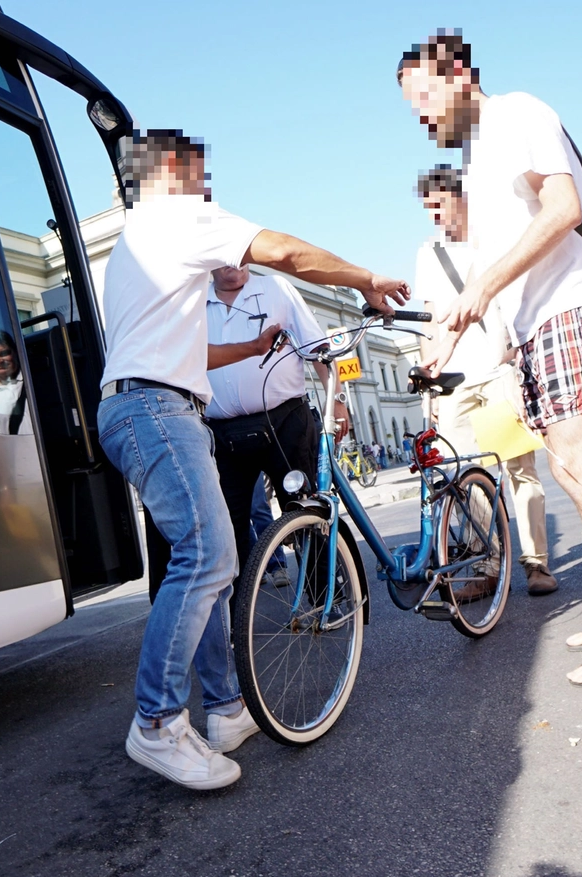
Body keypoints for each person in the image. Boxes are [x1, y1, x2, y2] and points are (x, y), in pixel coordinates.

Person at [97, 129, 407, 788]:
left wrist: (251, 348)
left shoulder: (131, 248)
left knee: (204, 557)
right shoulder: (178, 215)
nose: (207, 189)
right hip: (159, 412)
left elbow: (196, 352)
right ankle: (155, 722)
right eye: (198, 172)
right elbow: (287, 250)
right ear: (170, 170)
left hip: (135, 409)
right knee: (210, 555)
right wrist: (367, 278)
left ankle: (226, 708)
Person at [399, 33, 582, 687]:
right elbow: (507, 278)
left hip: (576, 308)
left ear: (459, 73)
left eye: (425, 98)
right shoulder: (479, 155)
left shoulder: (518, 113)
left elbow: (564, 208)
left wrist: (479, 290)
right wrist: (465, 343)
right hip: (537, 329)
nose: (422, 116)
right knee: (570, 471)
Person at [411, 165, 558, 597]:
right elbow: (431, 321)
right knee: (466, 474)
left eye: (441, 203)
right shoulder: (429, 253)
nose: (437, 214)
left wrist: (516, 359)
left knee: (518, 468)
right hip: (455, 380)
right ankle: (488, 563)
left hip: (496, 372)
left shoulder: (494, 240)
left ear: (461, 196)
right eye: (429, 208)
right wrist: (430, 386)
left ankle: (535, 563)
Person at [203, 264, 347, 595]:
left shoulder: (277, 289)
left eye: (238, 256)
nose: (232, 265)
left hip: (284, 422)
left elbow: (319, 350)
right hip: (223, 433)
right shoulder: (195, 301)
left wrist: (336, 399)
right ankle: (233, 612)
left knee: (304, 508)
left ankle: (325, 596)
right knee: (228, 526)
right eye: (222, 259)